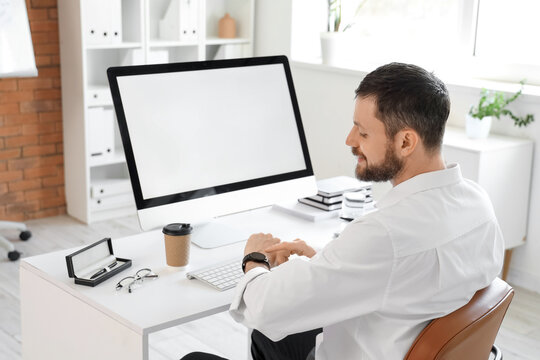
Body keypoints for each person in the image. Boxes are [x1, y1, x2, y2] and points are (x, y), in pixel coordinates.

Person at [181, 63, 504, 360]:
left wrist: (254, 259)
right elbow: (408, 272)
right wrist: (327, 259)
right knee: (271, 340)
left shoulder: (385, 234)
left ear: (406, 142)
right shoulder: (478, 204)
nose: (350, 140)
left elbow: (264, 308)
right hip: (398, 338)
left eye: (363, 132)